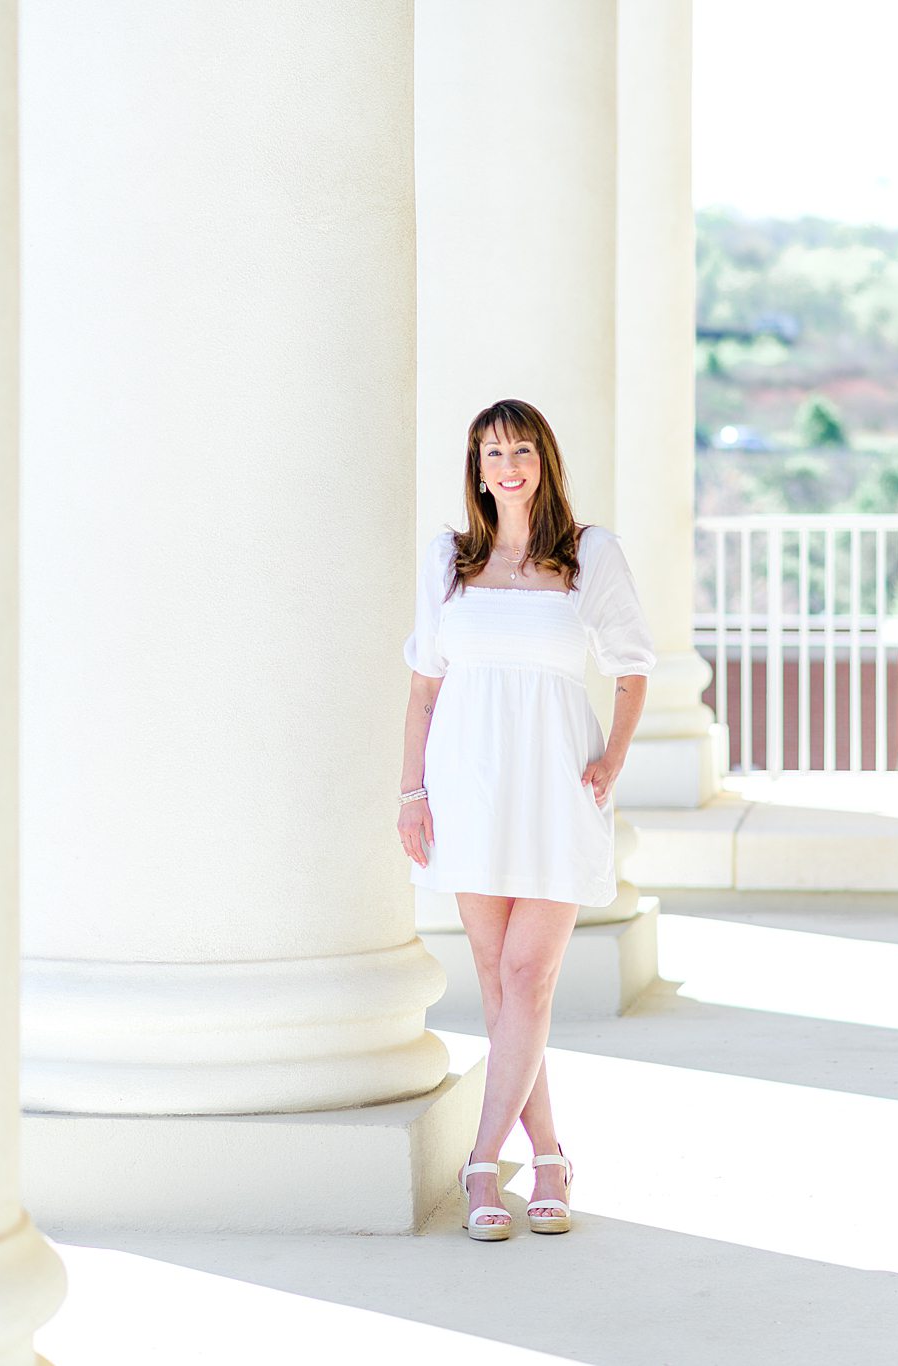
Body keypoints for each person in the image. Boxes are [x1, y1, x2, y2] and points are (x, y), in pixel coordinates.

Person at [396, 397, 656, 1241]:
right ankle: (547, 1156)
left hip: (555, 790)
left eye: (521, 451)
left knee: (531, 977)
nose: (507, 467)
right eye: (491, 453)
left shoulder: (588, 555)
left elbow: (631, 668)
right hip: (468, 788)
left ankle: (480, 1164)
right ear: (476, 469)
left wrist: (613, 757)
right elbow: (425, 688)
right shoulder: (449, 560)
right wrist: (411, 792)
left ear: (544, 459)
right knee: (500, 981)